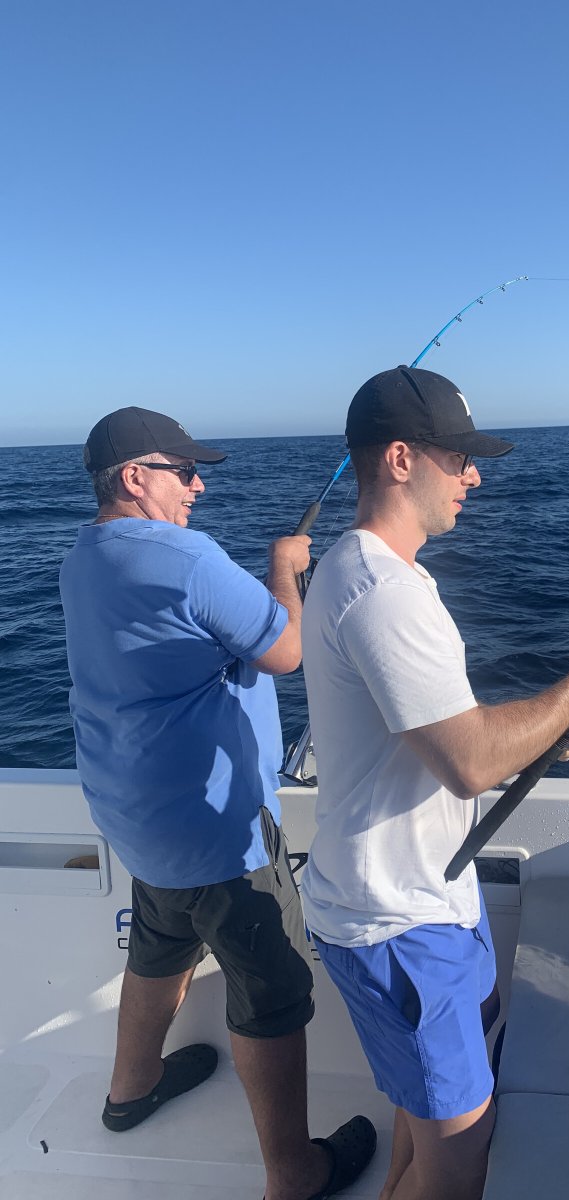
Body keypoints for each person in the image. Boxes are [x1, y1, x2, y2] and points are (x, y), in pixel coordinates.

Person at [298, 366, 569, 1200]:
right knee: (460, 1164)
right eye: (458, 457)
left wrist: (534, 735)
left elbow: (441, 735)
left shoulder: (360, 568)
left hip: (430, 896)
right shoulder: (382, 591)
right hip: (396, 922)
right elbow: (468, 757)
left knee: (439, 1100)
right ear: (400, 458)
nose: (475, 475)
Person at [59, 406, 376, 1200]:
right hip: (216, 825)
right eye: (184, 470)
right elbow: (286, 651)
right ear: (136, 477)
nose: (199, 486)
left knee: (159, 947)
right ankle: (293, 1172)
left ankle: (130, 1091)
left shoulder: (82, 555)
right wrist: (284, 570)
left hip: (136, 809)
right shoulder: (188, 557)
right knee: (271, 992)